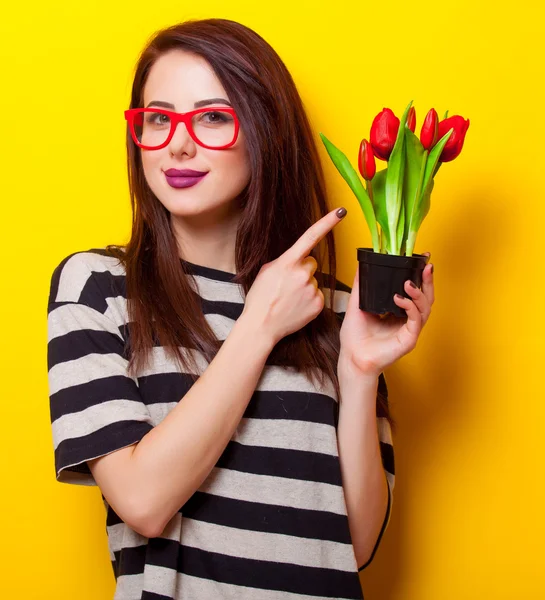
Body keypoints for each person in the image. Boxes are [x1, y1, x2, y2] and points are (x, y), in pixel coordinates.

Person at [46, 17, 434, 600]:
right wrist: (258, 326)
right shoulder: (98, 287)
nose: (178, 142)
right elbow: (144, 503)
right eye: (158, 118)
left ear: (263, 130)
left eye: (212, 117)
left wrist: (358, 373)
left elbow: (351, 544)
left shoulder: (336, 310)